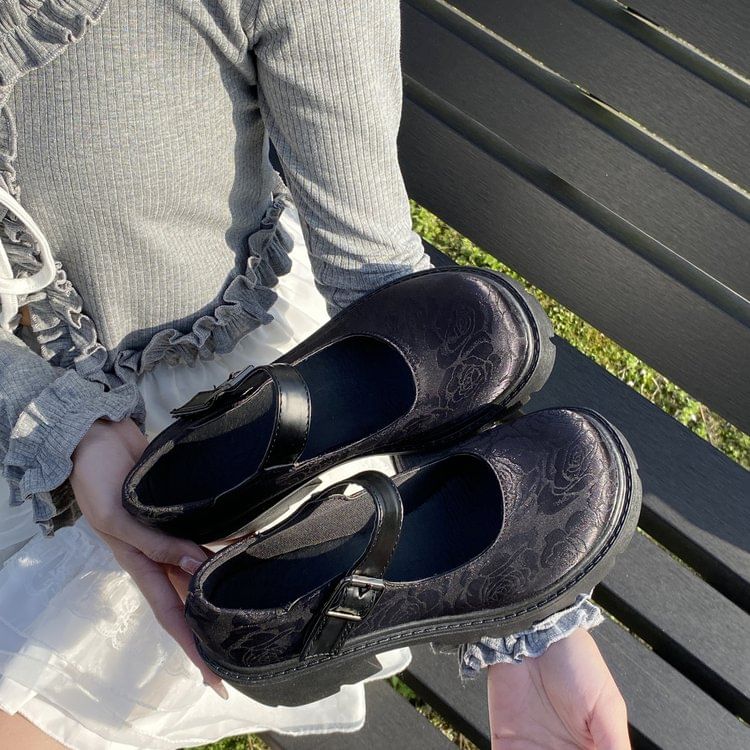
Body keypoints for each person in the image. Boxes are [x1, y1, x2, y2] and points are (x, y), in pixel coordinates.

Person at [0, 0, 629, 747]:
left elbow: (396, 305)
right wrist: (60, 425)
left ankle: (230, 518)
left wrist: (531, 626)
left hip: (197, 389)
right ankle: (220, 529)